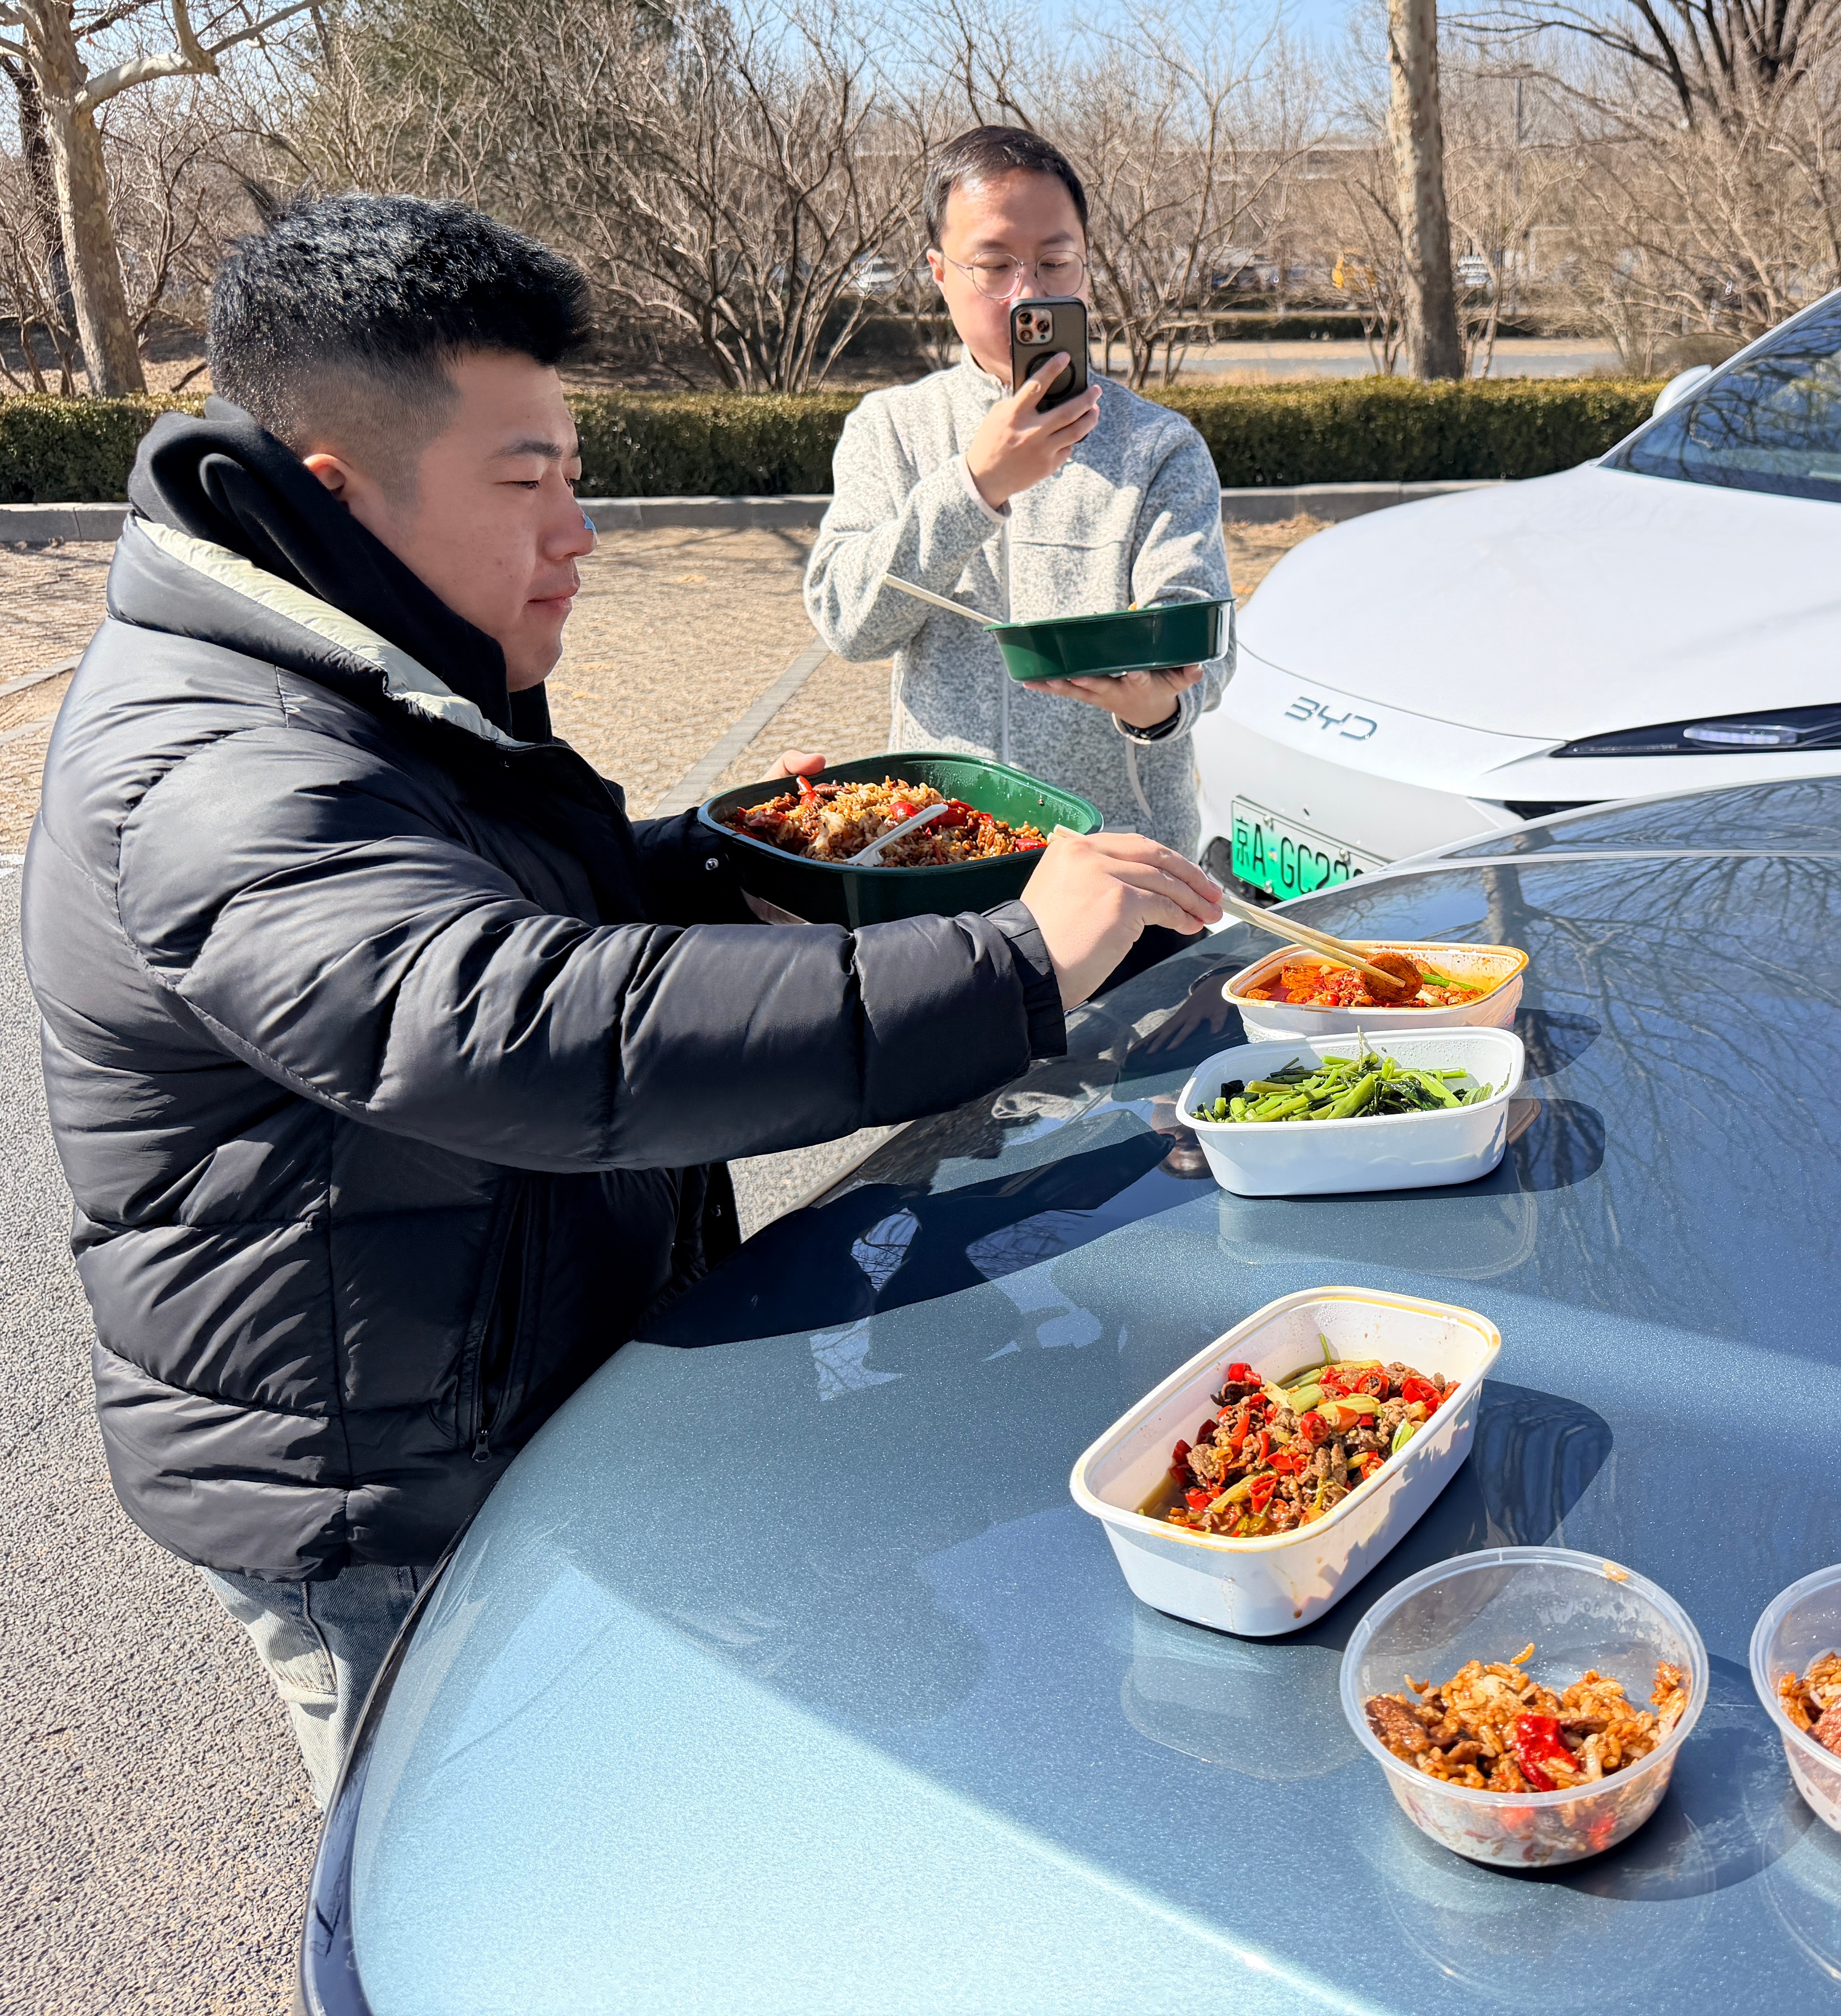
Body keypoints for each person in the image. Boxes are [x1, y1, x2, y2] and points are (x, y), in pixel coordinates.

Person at [17, 194, 1219, 1808]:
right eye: (526, 485)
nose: (577, 531)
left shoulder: (360, 662)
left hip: (490, 1392)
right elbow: (510, 1020)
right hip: (374, 1494)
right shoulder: (214, 764)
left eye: (573, 477)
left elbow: (504, 903)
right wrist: (1013, 961)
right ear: (336, 499)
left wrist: (724, 870)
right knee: (471, 1854)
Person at [804, 125, 1232, 974]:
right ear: (938, 273)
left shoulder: (1158, 447)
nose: (1025, 290)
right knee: (961, 1105)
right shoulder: (893, 431)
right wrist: (975, 484)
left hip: (1124, 879)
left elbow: (1203, 643)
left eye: (1055, 262)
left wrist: (1153, 705)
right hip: (946, 864)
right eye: (993, 265)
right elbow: (846, 619)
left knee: (1128, 1103)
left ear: (1087, 265)